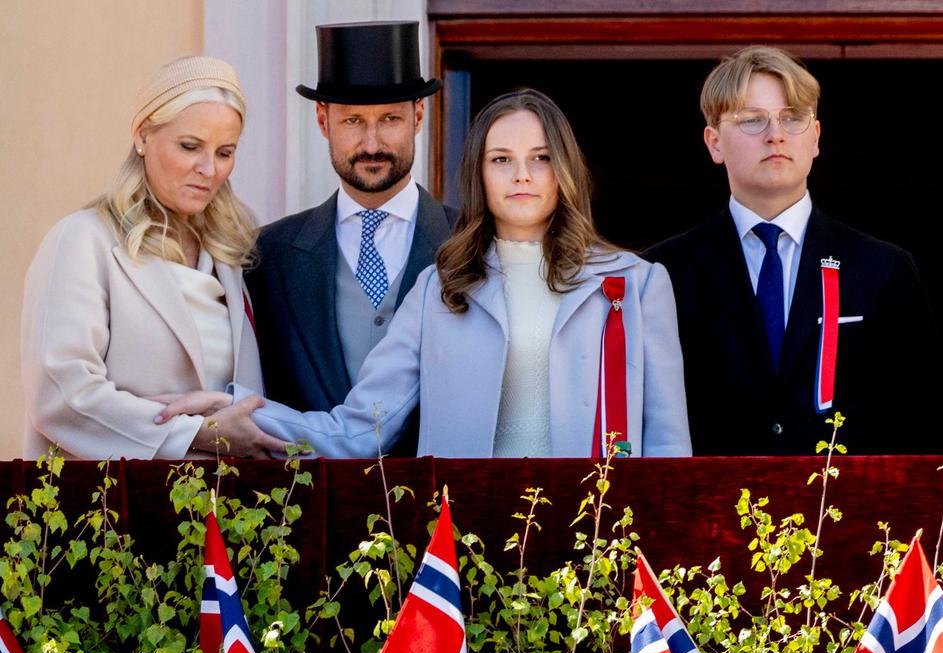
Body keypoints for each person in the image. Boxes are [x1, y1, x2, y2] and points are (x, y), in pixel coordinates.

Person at [156, 89, 691, 459]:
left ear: (564, 169)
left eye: (541, 158)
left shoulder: (635, 285)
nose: (522, 175)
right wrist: (236, 409)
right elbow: (359, 430)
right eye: (501, 159)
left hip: (595, 552)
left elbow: (669, 451)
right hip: (468, 556)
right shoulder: (439, 288)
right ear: (479, 174)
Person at [644, 46, 940, 455]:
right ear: (714, 143)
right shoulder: (662, 272)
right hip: (710, 496)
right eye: (752, 119)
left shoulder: (883, 269)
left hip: (846, 496)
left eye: (792, 117)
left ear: (815, 137)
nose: (775, 134)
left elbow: (922, 423)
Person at [21, 56, 282, 460]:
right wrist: (197, 433)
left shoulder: (231, 257)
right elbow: (61, 395)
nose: (209, 169)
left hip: (225, 497)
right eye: (190, 146)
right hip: (110, 495)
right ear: (142, 136)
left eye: (225, 152)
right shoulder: (82, 240)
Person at [245, 21, 457, 456]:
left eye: (390, 119)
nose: (372, 143)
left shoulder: (473, 244)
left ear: (418, 116)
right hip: (304, 495)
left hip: (441, 496)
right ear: (323, 121)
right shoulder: (267, 256)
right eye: (353, 121)